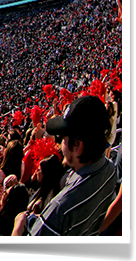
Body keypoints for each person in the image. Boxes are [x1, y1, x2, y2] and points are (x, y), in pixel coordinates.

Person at [13, 96, 119, 236]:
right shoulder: (110, 170)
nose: (61, 145)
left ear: (78, 145)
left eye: (63, 138)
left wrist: (17, 228)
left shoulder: (59, 210)